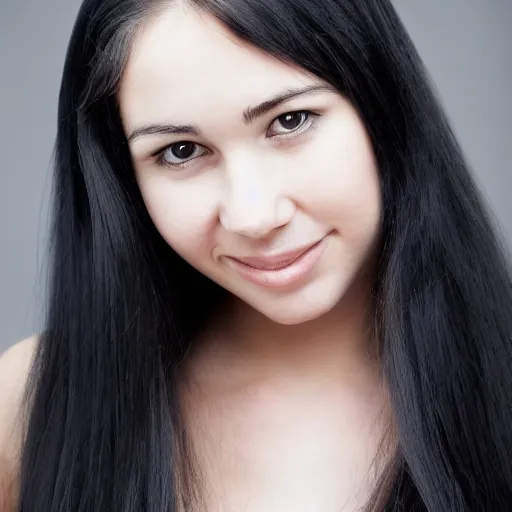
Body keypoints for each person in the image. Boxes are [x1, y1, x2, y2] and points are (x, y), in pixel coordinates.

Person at [1, 0, 511, 510]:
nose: (253, 215)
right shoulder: (29, 404)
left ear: (383, 106)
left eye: (291, 120)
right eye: (180, 151)